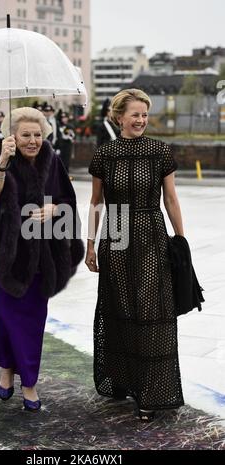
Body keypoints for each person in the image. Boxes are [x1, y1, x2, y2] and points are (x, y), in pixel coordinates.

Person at [0, 107, 84, 411]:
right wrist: (3, 162)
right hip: (4, 258)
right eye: (25, 135)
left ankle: (29, 382)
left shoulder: (52, 160)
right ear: (13, 137)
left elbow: (68, 201)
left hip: (39, 259)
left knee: (32, 322)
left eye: (37, 135)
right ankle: (6, 370)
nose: (33, 141)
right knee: (4, 318)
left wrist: (55, 210)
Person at [86, 89, 185, 422]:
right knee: (119, 308)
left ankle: (151, 391)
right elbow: (96, 203)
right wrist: (89, 243)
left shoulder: (160, 151)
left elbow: (170, 199)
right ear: (119, 117)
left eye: (145, 114)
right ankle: (124, 381)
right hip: (115, 235)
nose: (141, 120)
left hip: (152, 235)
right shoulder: (104, 154)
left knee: (150, 310)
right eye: (135, 114)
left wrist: (181, 240)